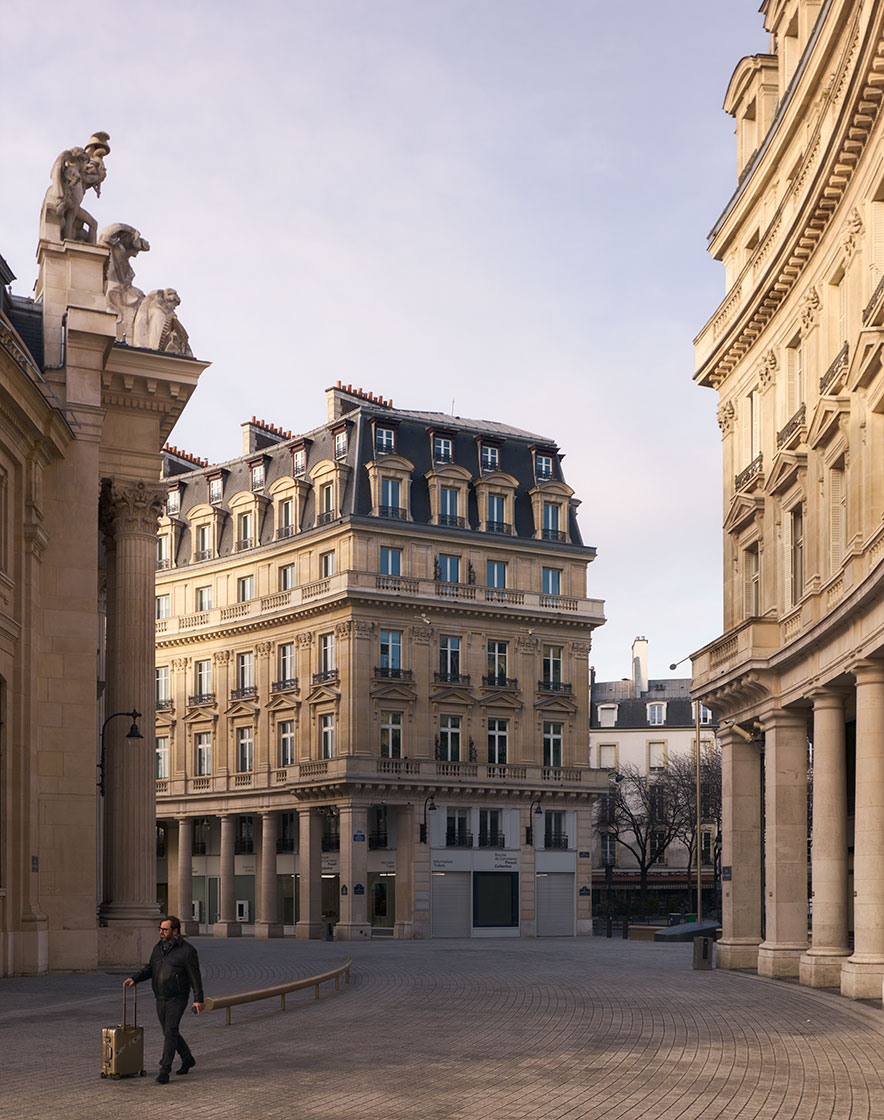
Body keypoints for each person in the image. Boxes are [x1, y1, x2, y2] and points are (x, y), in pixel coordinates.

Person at [125, 915, 205, 1084]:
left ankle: (164, 1070)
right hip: (160, 997)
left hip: (177, 997)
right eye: (160, 929)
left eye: (165, 930)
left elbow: (195, 977)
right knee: (169, 1031)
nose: (161, 932)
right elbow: (150, 969)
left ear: (175, 931)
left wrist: (198, 999)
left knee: (170, 1031)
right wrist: (134, 978)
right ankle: (187, 1058)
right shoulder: (158, 947)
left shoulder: (187, 951)